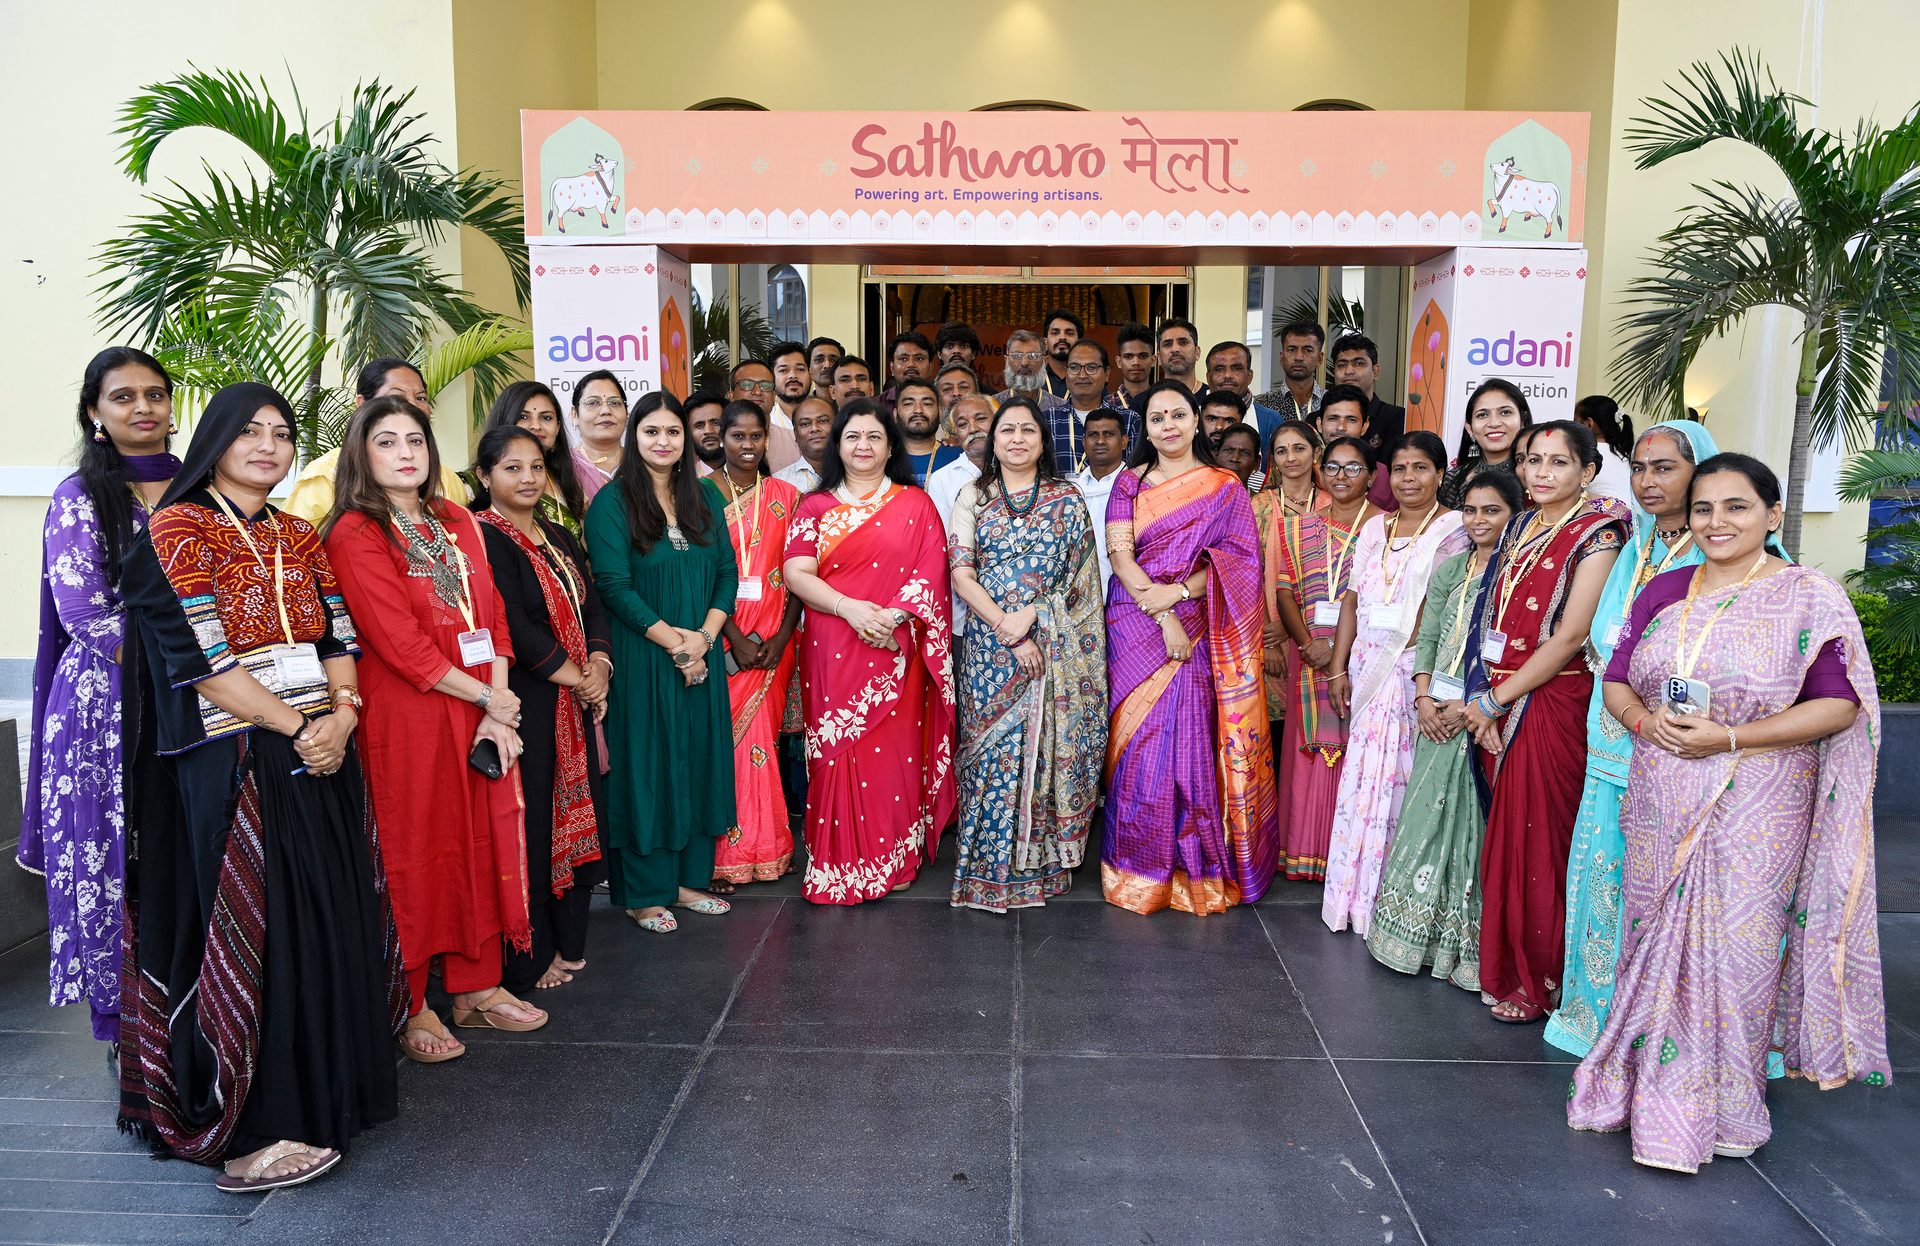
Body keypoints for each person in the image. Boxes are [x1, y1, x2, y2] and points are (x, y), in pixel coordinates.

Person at [1570, 453, 1889, 1172]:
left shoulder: (1807, 596)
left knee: (1740, 954)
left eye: (1737, 507)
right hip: (1663, 792)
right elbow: (1617, 680)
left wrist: (1732, 737)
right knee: (1650, 940)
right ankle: (1641, 1090)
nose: (1718, 522)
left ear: (1772, 516)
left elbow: (1838, 705)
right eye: (1705, 508)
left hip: (1759, 801)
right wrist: (1643, 724)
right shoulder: (1664, 591)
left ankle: (1728, 1107)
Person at [118, 382, 401, 1191]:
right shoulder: (175, 529)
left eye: (281, 434)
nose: (269, 446)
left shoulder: (299, 533)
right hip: (233, 754)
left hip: (319, 749)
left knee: (321, 917)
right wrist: (298, 727)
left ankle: (322, 1094)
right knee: (254, 926)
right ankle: (249, 1126)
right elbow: (201, 663)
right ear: (214, 440)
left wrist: (342, 717)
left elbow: (337, 635)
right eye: (250, 432)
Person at [325, 396, 549, 1055]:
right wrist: (488, 697)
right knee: (417, 854)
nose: (405, 453)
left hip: (479, 708)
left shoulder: (455, 519)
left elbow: (494, 620)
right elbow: (400, 645)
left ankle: (478, 989)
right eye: (387, 441)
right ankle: (413, 1003)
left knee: (481, 841)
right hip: (410, 718)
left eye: (415, 440)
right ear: (362, 454)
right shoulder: (355, 532)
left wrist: (498, 705)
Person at [1545, 419, 1721, 1057]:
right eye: (1640, 469)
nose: (1648, 482)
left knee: (1667, 882)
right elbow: (1602, 631)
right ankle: (1598, 1014)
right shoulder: (1636, 544)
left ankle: (1663, 1033)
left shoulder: (1722, 549)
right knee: (1605, 869)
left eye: (1665, 468)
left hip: (1681, 743)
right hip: (1612, 729)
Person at [22, 347, 178, 1053]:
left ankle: (191, 1005)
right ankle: (121, 1024)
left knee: (179, 851)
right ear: (95, 413)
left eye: (155, 394)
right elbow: (86, 612)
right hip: (103, 710)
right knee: (113, 857)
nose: (143, 408)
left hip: (199, 700)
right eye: (123, 397)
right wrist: (198, 665)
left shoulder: (198, 489)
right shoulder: (77, 498)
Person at [1460, 420, 1629, 1024]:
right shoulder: (1525, 523)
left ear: (1587, 471)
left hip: (1552, 697)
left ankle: (1542, 980)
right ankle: (1508, 967)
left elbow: (1571, 636)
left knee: (1539, 838)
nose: (1541, 473)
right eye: (1533, 460)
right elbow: (1493, 615)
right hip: (1503, 689)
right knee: (1508, 837)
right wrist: (1486, 694)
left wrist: (1495, 701)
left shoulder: (1599, 534)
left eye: (1559, 463)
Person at [1101, 381, 1279, 915]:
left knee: (1189, 737)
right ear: (1145, 427)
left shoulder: (1224, 486)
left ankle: (1192, 870)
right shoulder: (1127, 484)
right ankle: (1135, 867)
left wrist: (1177, 595)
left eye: (1178, 415)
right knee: (1137, 744)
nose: (1169, 426)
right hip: (1135, 619)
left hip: (1199, 620)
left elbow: (1240, 562)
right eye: (1157, 418)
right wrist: (1162, 613)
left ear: (1198, 419)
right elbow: (1120, 554)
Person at [782, 399, 956, 903]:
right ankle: (837, 865)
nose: (864, 446)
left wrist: (894, 617)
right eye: (853, 436)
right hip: (834, 641)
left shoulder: (915, 504)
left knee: (894, 757)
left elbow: (931, 571)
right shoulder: (813, 507)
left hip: (897, 646)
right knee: (837, 753)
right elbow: (796, 573)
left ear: (890, 445)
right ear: (838, 444)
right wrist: (850, 609)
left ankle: (893, 858)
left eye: (874, 436)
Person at [585, 392, 737, 932]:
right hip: (644, 657)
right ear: (634, 435)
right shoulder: (612, 503)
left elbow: (726, 572)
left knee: (697, 760)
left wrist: (705, 637)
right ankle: (645, 892)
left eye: (674, 432)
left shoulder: (705, 499)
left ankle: (687, 881)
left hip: (700, 653)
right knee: (647, 765)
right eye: (652, 431)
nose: (664, 441)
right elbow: (613, 587)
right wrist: (675, 643)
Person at [948, 399, 1108, 911]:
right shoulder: (973, 495)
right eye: (1007, 430)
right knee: (991, 751)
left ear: (1044, 440)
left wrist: (1036, 614)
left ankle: (1037, 865)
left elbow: (1083, 584)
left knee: (1041, 750)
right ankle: (985, 869)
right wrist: (1007, 627)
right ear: (992, 441)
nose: (1017, 438)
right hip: (990, 646)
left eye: (1027, 430)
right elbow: (960, 573)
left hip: (1052, 645)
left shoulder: (1068, 499)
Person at [1366, 470, 1522, 988]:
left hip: (1481, 713)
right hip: (1436, 710)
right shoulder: (1452, 566)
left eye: (1492, 511)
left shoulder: (1514, 576)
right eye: (1472, 510)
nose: (1479, 521)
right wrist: (1424, 696)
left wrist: (1472, 705)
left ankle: (1464, 947)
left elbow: (1517, 648)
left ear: (1514, 515)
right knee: (1424, 815)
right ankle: (1412, 938)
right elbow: (1428, 635)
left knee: (1470, 825)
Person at [472, 427, 610, 993]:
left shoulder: (558, 534)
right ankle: (533, 955)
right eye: (512, 468)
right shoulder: (482, 540)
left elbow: (592, 601)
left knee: (582, 814)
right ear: (485, 477)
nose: (528, 478)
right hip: (529, 701)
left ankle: (569, 939)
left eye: (535, 467)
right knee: (532, 824)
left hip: (578, 698)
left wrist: (599, 667)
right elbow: (517, 627)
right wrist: (579, 678)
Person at [1320, 432, 1468, 935]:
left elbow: (1446, 605)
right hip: (1366, 664)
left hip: (1413, 668)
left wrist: (1420, 669)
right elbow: (1352, 600)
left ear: (1440, 473)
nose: (1409, 478)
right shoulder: (1373, 528)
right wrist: (1339, 665)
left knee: (1403, 773)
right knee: (1364, 771)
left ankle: (1393, 897)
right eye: (1400, 469)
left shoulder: (1453, 528)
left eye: (1421, 468)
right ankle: (1351, 895)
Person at [1273, 435, 1375, 880]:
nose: (1341, 476)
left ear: (1371, 475)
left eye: (1353, 468)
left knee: (1359, 749)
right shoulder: (1299, 526)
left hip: (1368, 655)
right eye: (1332, 467)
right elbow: (1284, 589)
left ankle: (1348, 856)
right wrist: (1306, 644)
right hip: (1307, 652)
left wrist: (1341, 651)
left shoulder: (1385, 527)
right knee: (1307, 751)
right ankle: (1305, 854)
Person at [712, 401, 803, 888]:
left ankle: (769, 847)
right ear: (721, 438)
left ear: (767, 440)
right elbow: (702, 577)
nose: (747, 446)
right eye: (737, 437)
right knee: (725, 746)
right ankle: (727, 853)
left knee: (762, 743)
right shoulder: (702, 495)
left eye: (755, 437)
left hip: (775, 642)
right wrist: (731, 636)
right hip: (722, 638)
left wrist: (783, 635)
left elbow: (798, 574)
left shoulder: (787, 496)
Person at [283, 358, 468, 522]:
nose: (413, 406)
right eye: (397, 397)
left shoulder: (447, 479)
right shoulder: (325, 475)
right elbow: (298, 548)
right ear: (362, 405)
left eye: (421, 398)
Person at [1252, 420, 1322, 761]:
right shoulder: (1259, 505)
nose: (1290, 457)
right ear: (1272, 460)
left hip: (1320, 636)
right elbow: (1249, 574)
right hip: (1269, 639)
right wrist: (1272, 637)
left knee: (1318, 729)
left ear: (1315, 453)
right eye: (1281, 451)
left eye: (1299, 448)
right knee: (1277, 739)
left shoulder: (1332, 504)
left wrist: (1295, 627)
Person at [463, 380, 590, 534]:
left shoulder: (568, 481)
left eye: (546, 418)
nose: (536, 426)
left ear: (557, 427)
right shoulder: (469, 487)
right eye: (523, 417)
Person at [1438, 378, 1534, 509]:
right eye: (1482, 415)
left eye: (1505, 412)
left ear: (1522, 421)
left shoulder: (1534, 474)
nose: (1494, 423)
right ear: (1469, 427)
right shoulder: (1451, 481)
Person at [1071, 407, 1130, 594]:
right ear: (1084, 442)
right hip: (1079, 597)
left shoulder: (1138, 487)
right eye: (1093, 435)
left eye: (1109, 434)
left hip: (1127, 596)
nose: (1100, 441)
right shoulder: (1071, 491)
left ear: (1124, 441)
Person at [1316, 384, 1397, 511]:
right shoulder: (1306, 471)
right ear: (1319, 424)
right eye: (1333, 418)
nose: (1341, 427)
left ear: (1365, 426)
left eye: (1351, 420)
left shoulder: (1382, 476)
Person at [1329, 333, 1407, 456]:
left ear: (1375, 372)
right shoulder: (1318, 418)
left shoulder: (1397, 418)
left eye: (1359, 363)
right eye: (1342, 365)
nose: (1349, 371)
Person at [928, 392, 994, 536]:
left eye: (981, 419)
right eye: (963, 424)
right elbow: (945, 537)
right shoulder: (941, 479)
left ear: (997, 422)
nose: (973, 429)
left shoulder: (1016, 468)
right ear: (956, 434)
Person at [1205, 341, 1283, 450]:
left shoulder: (1270, 420)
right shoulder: (1192, 417)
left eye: (1236, 368)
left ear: (1249, 376)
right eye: (1219, 369)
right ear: (1208, 377)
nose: (1228, 375)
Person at [570, 370, 632, 503]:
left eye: (614, 403)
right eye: (593, 403)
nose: (605, 411)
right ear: (575, 415)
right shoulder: (563, 467)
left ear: (627, 414)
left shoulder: (643, 463)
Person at [896, 377, 962, 484]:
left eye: (927, 404)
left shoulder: (959, 458)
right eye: (908, 404)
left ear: (940, 412)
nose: (918, 410)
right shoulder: (883, 459)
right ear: (895, 414)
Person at [759, 341, 812, 472]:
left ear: (810, 374)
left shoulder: (827, 420)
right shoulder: (764, 424)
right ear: (771, 377)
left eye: (800, 369)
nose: (793, 375)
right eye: (783, 370)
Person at [1258, 321, 1325, 423]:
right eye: (1291, 349)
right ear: (1281, 357)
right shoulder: (1262, 404)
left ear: (1319, 358)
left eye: (1308, 350)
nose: (1299, 357)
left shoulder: (1332, 403)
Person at [1133, 318, 1200, 415]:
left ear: (1197, 353)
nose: (1175, 349)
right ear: (1159, 357)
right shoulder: (1141, 403)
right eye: (1167, 344)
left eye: (1183, 342)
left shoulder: (1211, 396)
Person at [1575, 394, 1635, 502]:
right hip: (1632, 516)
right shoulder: (1626, 452)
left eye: (1575, 422)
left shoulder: (1584, 452)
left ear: (1589, 424)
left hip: (1606, 515)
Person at [774, 393, 836, 493]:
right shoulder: (780, 482)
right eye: (805, 424)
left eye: (823, 421)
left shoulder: (856, 472)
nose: (815, 428)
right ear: (795, 434)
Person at [881, 330, 934, 411]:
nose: (911, 365)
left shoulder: (942, 402)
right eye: (903, 359)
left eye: (919, 358)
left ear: (930, 367)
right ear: (892, 367)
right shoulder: (875, 406)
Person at [1039, 308, 1082, 398]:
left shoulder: (1089, 378)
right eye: (1055, 333)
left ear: (1080, 342)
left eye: (1069, 333)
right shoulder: (1034, 378)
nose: (1062, 337)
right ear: (1045, 343)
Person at [997, 329, 1048, 401]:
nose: (1024, 363)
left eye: (1032, 356)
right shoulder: (992, 406)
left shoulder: (1059, 407)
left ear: (1044, 361)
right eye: (1017, 355)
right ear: (1006, 360)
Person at [1113, 322, 1155, 409]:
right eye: (1128, 356)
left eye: (1143, 356)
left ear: (1153, 360)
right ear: (1119, 362)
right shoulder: (1105, 405)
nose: (1136, 362)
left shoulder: (1163, 401)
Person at [691, 385, 731, 475]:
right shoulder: (679, 482)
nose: (708, 431)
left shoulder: (754, 477)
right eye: (699, 425)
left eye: (716, 423)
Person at [1214, 422, 1263, 489]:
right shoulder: (1197, 497)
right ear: (1216, 455)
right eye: (1228, 450)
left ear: (1256, 463)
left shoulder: (1261, 499)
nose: (1235, 458)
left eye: (1245, 453)